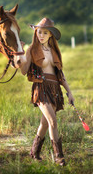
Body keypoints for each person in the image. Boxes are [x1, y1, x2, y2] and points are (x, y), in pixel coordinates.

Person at [20, 17, 75, 166]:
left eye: (45, 32)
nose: (41, 35)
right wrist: (19, 58)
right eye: (39, 32)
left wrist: (69, 92)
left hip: (55, 89)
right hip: (41, 88)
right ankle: (59, 157)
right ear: (35, 32)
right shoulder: (31, 49)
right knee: (52, 121)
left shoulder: (54, 51)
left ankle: (35, 152)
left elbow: (60, 75)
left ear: (50, 34)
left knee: (45, 124)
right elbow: (24, 71)